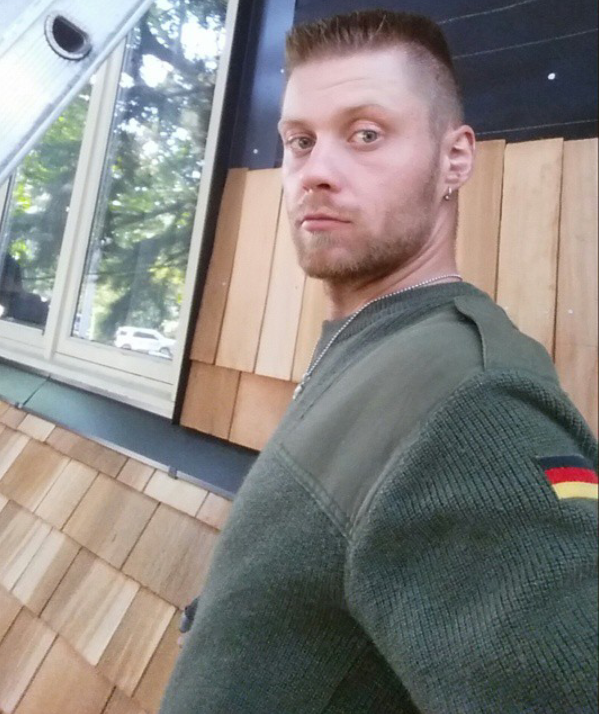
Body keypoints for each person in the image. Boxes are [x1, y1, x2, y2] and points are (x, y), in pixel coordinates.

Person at [160, 10, 598, 713]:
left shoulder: (472, 406)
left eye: (365, 134)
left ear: (454, 159)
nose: (315, 173)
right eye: (299, 141)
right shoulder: (372, 344)